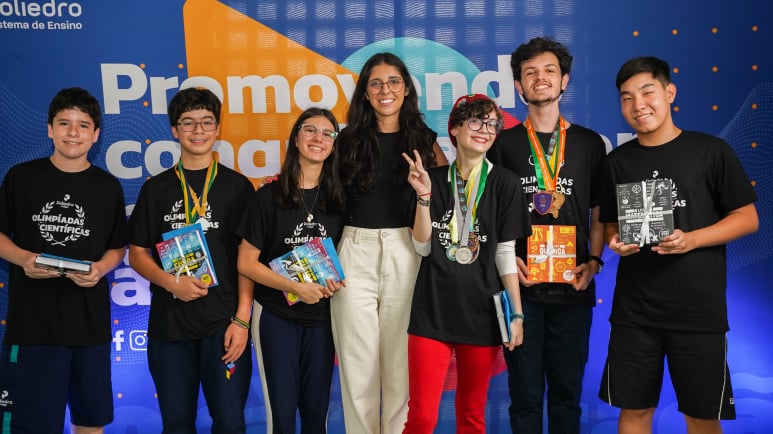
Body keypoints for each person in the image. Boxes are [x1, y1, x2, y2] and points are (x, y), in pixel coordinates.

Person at [598, 56, 759, 434]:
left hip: (698, 313)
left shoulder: (710, 151)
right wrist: (614, 242)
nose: (638, 105)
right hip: (635, 313)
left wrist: (692, 240)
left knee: (702, 416)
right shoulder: (616, 162)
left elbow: (748, 218)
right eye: (626, 98)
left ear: (669, 93)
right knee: (634, 412)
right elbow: (609, 224)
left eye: (647, 92)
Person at [488, 36, 607, 434]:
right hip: (521, 289)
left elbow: (599, 212)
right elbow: (487, 217)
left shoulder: (590, 144)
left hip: (574, 288)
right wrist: (507, 262)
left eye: (549, 71)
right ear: (519, 86)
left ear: (565, 81)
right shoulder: (501, 145)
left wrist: (594, 261)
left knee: (566, 397)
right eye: (530, 73)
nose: (541, 79)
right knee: (523, 397)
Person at [330, 51, 448, 434]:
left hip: (407, 251)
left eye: (393, 82)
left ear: (407, 89)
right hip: (354, 251)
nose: (385, 90)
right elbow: (323, 196)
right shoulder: (346, 140)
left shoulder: (424, 140)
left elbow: (448, 199)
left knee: (402, 370)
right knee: (357, 368)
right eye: (376, 83)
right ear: (365, 93)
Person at [0, 87, 127, 434]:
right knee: (32, 424)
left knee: (90, 422)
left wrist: (101, 268)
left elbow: (118, 247)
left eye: (83, 125)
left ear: (96, 134)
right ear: (49, 129)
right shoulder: (21, 178)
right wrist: (25, 259)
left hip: (89, 324)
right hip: (33, 325)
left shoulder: (108, 187)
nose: (73, 132)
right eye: (64, 123)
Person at [401, 93, 530, 433]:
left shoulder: (505, 183)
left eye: (491, 124)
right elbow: (422, 247)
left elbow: (505, 254)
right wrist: (424, 197)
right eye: (475, 120)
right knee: (422, 417)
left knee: (472, 416)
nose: (484, 130)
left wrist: (516, 314)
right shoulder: (432, 178)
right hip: (432, 312)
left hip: (483, 315)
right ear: (455, 129)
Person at [128, 87, 255, 433]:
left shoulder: (239, 187)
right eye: (188, 123)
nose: (198, 131)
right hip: (170, 330)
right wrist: (171, 283)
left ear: (217, 129)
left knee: (230, 423)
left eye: (206, 122)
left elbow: (249, 261)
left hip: (224, 327)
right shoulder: (156, 190)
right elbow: (136, 253)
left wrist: (242, 321)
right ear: (174, 130)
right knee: (177, 424)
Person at [237, 107, 345, 433]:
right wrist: (296, 287)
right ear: (296, 138)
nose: (318, 138)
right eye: (310, 130)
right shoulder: (268, 197)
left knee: (316, 416)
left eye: (328, 133)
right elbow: (245, 263)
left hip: (325, 321)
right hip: (276, 317)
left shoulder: (341, 200)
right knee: (281, 417)